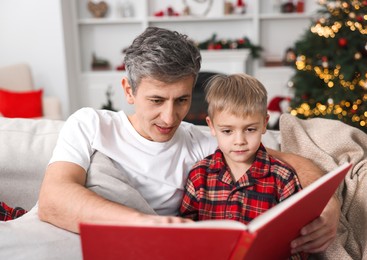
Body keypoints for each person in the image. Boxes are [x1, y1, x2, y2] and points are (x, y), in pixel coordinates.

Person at [38, 26, 340, 255]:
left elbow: (292, 162)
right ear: (128, 91)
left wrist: (329, 206)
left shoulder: (203, 142)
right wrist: (145, 222)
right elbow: (53, 200)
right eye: (156, 100)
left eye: (181, 100)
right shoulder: (91, 124)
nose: (170, 118)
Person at [179, 74, 306, 259]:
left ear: (264, 124)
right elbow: (185, 234)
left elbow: (297, 242)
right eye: (228, 131)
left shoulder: (282, 177)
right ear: (211, 126)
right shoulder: (199, 175)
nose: (239, 141)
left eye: (250, 129)